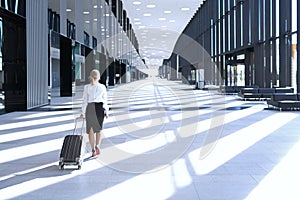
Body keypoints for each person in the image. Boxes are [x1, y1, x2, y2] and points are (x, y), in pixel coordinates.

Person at [80, 69, 109, 157]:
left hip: (90, 108)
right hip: (99, 108)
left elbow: (84, 101)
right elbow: (105, 100)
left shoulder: (87, 87)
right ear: (99, 77)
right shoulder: (102, 87)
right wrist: (106, 111)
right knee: (98, 129)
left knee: (91, 130)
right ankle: (97, 146)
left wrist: (83, 112)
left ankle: (92, 150)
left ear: (90, 76)